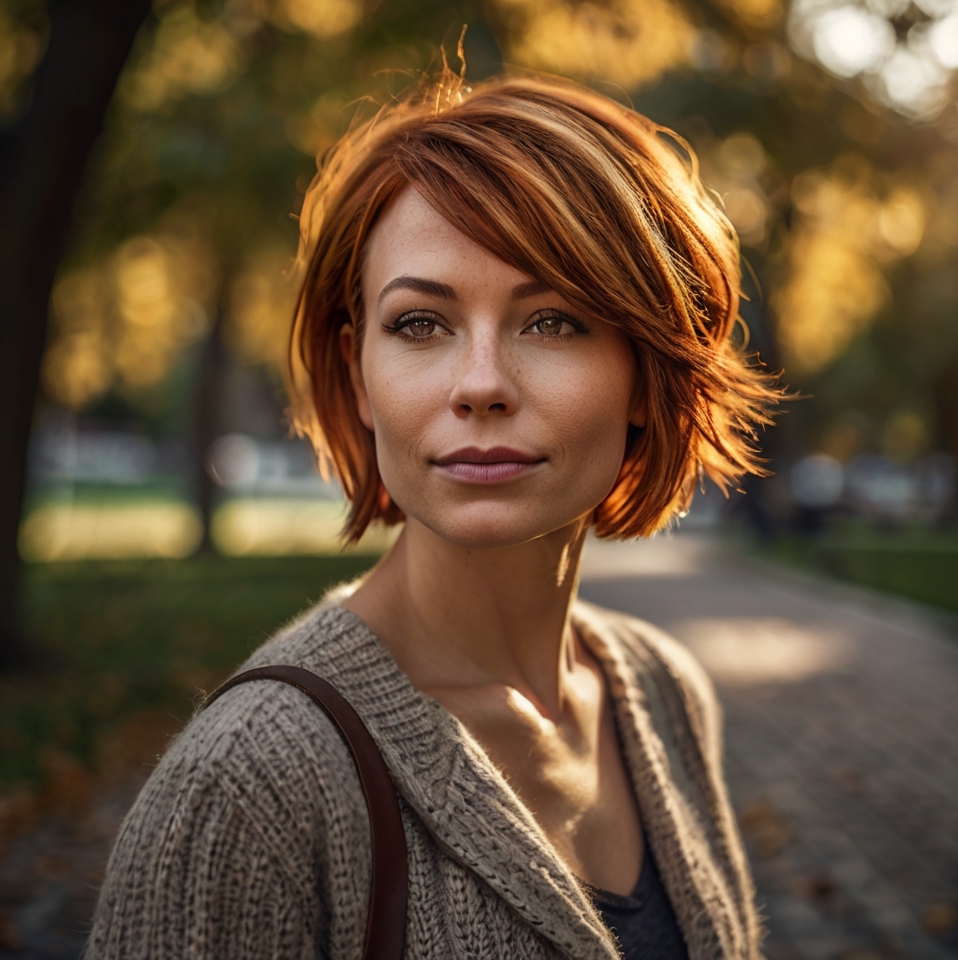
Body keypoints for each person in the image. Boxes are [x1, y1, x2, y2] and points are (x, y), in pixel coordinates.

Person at [88, 69, 779, 960]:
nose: (481, 382)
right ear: (359, 373)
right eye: (420, 324)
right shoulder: (250, 783)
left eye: (554, 320)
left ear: (646, 373)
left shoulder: (662, 692)